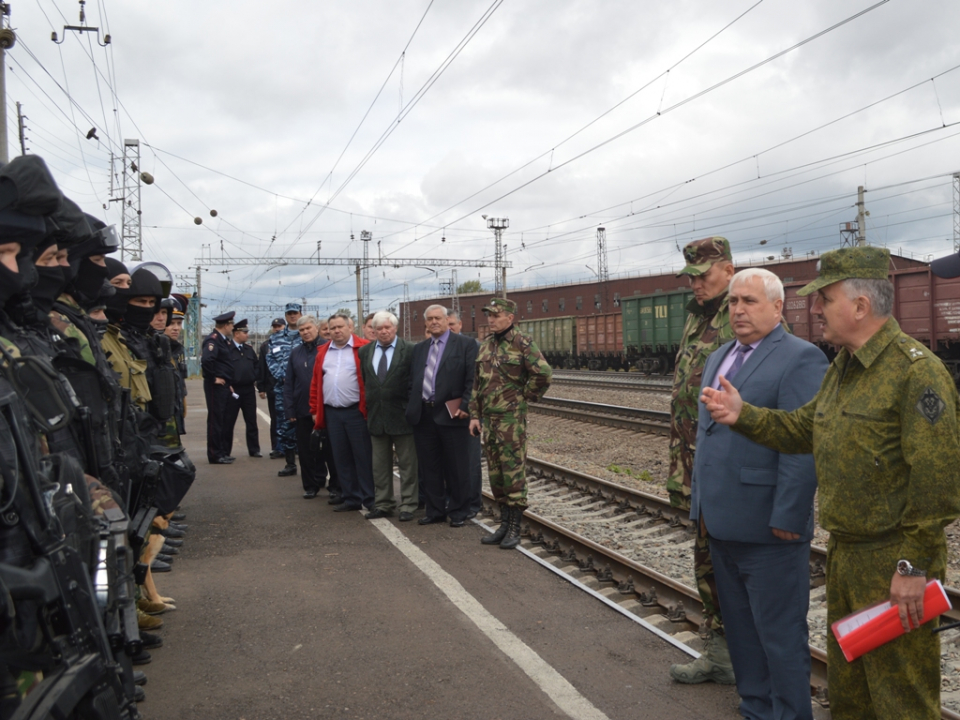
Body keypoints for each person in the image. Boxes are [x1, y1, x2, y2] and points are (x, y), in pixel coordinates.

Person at [701, 246, 960, 720]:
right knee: (852, 694)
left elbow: (938, 480)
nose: (815, 308)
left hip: (891, 562)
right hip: (846, 555)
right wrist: (744, 416)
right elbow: (804, 429)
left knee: (901, 697)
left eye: (825, 298)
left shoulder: (916, 371)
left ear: (860, 307)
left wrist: (912, 567)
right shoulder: (844, 366)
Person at [691, 269, 828, 719]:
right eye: (733, 302)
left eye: (749, 301)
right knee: (742, 631)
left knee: (779, 635)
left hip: (770, 527)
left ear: (777, 307)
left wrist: (790, 515)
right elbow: (709, 436)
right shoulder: (720, 356)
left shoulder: (801, 358)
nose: (738, 310)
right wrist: (700, 507)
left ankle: (789, 713)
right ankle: (755, 707)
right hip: (722, 519)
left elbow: (803, 444)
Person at [667, 236, 737, 685]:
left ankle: (736, 658)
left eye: (704, 274)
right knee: (706, 560)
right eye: (691, 276)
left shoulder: (743, 317)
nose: (696, 283)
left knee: (725, 563)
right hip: (695, 462)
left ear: (728, 269)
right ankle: (720, 654)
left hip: (726, 469)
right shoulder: (699, 320)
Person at [468, 298, 551, 547]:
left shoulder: (521, 342)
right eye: (489, 315)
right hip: (490, 420)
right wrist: (474, 414)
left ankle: (515, 527)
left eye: (497, 315)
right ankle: (504, 524)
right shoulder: (485, 346)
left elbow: (544, 374)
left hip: (510, 420)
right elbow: (477, 384)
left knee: (513, 474)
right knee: (496, 475)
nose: (491, 319)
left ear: (510, 318)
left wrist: (525, 397)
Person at [407, 304, 478, 527]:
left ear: (448, 320)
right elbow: (413, 380)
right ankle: (435, 510)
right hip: (424, 415)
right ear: (426, 323)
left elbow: (472, 379)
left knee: (457, 467)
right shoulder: (419, 349)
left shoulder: (466, 345)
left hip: (453, 414)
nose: (434, 322)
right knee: (430, 466)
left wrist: (465, 405)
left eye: (438, 318)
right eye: (430, 319)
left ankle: (458, 512)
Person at [310, 313, 373, 512]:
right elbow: (315, 382)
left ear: (350, 328)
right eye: (332, 328)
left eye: (340, 327)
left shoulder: (364, 348)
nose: (336, 331)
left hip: (356, 412)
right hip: (332, 413)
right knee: (341, 457)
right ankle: (351, 498)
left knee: (363, 456)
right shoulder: (323, 352)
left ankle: (370, 499)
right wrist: (314, 409)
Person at [360, 311, 418, 520]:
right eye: (379, 328)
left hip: (403, 416)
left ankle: (409, 504)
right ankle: (384, 503)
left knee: (408, 464)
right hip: (377, 416)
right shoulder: (365, 352)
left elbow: (414, 382)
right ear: (373, 330)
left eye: (388, 327)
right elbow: (368, 381)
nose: (384, 331)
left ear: (395, 328)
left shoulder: (410, 350)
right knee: (379, 464)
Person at [284, 315, 338, 498]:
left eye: (308, 328)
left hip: (326, 408)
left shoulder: (328, 348)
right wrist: (289, 408)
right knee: (306, 450)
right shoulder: (295, 353)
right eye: (301, 330)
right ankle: (310, 485)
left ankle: (336, 487)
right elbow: (289, 383)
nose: (305, 332)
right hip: (302, 409)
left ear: (316, 327)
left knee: (331, 449)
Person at [447, 307, 483, 518]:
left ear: (460, 325)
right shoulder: (440, 347)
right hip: (445, 412)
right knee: (450, 460)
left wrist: (469, 409)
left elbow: (475, 382)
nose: (450, 327)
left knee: (470, 460)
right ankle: (454, 501)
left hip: (468, 412)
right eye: (447, 324)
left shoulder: (472, 346)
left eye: (453, 324)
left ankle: (471, 504)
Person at [266, 303, 303, 475]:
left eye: (295, 313)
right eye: (289, 314)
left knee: (307, 425)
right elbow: (270, 359)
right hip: (283, 388)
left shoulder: (307, 335)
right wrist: (282, 376)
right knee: (285, 424)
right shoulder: (276, 338)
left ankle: (309, 465)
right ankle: (290, 464)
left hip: (303, 388)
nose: (292, 316)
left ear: (301, 314)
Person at [200, 311, 236, 464]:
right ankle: (215, 454)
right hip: (215, 386)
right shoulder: (213, 340)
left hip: (225, 385)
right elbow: (207, 360)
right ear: (226, 325)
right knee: (216, 420)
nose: (233, 328)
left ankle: (221, 452)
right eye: (232, 325)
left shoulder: (223, 340)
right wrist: (213, 377)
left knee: (223, 419)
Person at [223, 319, 262, 458]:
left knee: (251, 421)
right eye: (245, 332)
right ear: (237, 333)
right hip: (233, 390)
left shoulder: (249, 350)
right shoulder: (227, 349)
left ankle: (254, 449)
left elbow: (257, 366)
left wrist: (254, 377)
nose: (247, 335)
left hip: (248, 390)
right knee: (228, 422)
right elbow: (223, 368)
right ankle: (225, 451)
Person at [258, 318, 285, 457]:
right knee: (275, 418)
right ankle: (277, 447)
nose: (276, 328)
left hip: (290, 388)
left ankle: (294, 446)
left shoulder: (294, 342)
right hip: (273, 387)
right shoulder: (265, 346)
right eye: (274, 326)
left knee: (292, 418)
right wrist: (261, 387)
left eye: (279, 326)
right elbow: (262, 367)